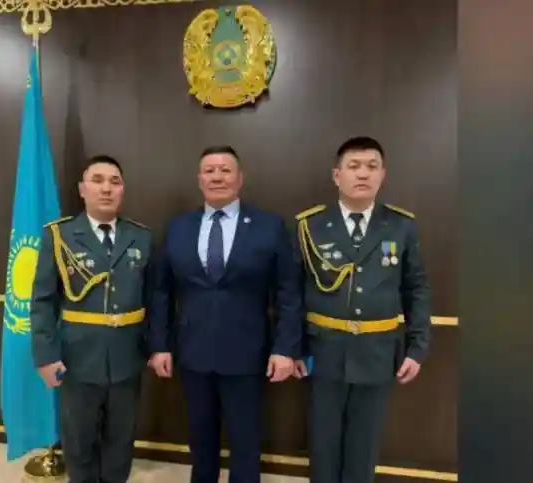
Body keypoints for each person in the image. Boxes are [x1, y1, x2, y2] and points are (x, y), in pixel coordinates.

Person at [148, 145, 303, 483]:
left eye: (225, 170)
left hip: (248, 354)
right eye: (209, 171)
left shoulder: (269, 226)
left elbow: (289, 293)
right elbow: (161, 291)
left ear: (240, 178)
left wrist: (285, 348)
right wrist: (159, 345)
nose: (217, 177)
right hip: (193, 353)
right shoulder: (178, 227)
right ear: (199, 179)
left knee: (245, 444)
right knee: (200, 442)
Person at [292, 136, 432, 483]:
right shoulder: (310, 224)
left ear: (383, 174)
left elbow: (416, 287)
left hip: (378, 352)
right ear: (336, 175)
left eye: (372, 166)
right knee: (323, 443)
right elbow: (293, 292)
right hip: (322, 350)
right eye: (353, 166)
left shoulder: (401, 225)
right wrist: (293, 348)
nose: (363, 173)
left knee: (364, 445)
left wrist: (417, 347)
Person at [30, 155, 154, 483]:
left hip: (127, 358)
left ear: (123, 190)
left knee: (121, 441)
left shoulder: (140, 237)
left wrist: (156, 347)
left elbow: (154, 299)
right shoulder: (60, 236)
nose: (107, 188)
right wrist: (45, 355)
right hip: (77, 359)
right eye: (97, 180)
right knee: (79, 442)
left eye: (115, 181)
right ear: (82, 189)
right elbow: (43, 300)